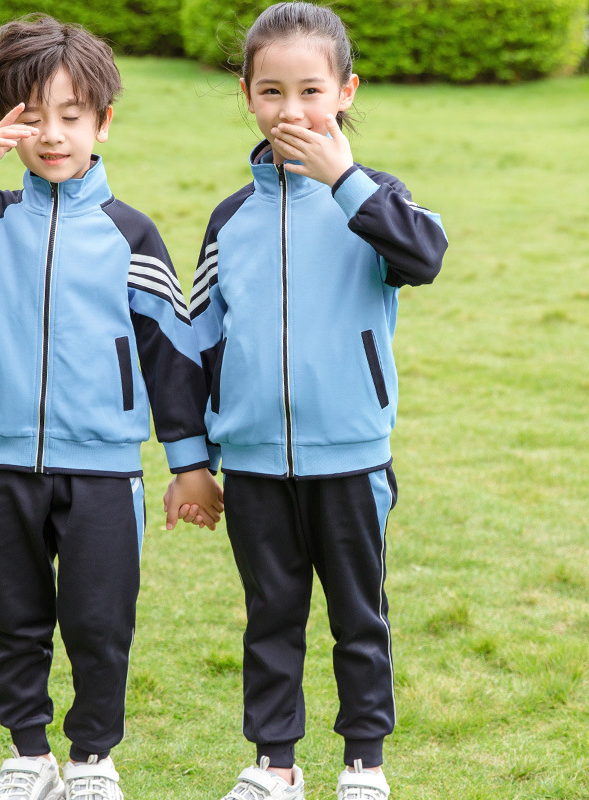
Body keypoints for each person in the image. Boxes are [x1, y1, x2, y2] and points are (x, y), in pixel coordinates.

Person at [0, 14, 222, 800]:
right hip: (2, 463)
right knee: (15, 619)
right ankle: (29, 755)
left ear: (102, 123)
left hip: (104, 471)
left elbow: (170, 358)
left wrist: (189, 465)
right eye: (31, 116)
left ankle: (93, 761)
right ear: (4, 123)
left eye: (71, 116)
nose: (51, 135)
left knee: (100, 624)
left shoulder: (130, 235)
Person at [188, 3, 448, 799]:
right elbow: (197, 345)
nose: (290, 109)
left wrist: (343, 180)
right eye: (271, 91)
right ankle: (275, 765)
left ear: (345, 92)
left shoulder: (376, 200)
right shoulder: (230, 219)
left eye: (310, 90)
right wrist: (194, 457)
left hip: (352, 457)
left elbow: (424, 257)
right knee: (270, 616)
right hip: (255, 462)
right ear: (247, 95)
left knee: (359, 618)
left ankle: (364, 764)